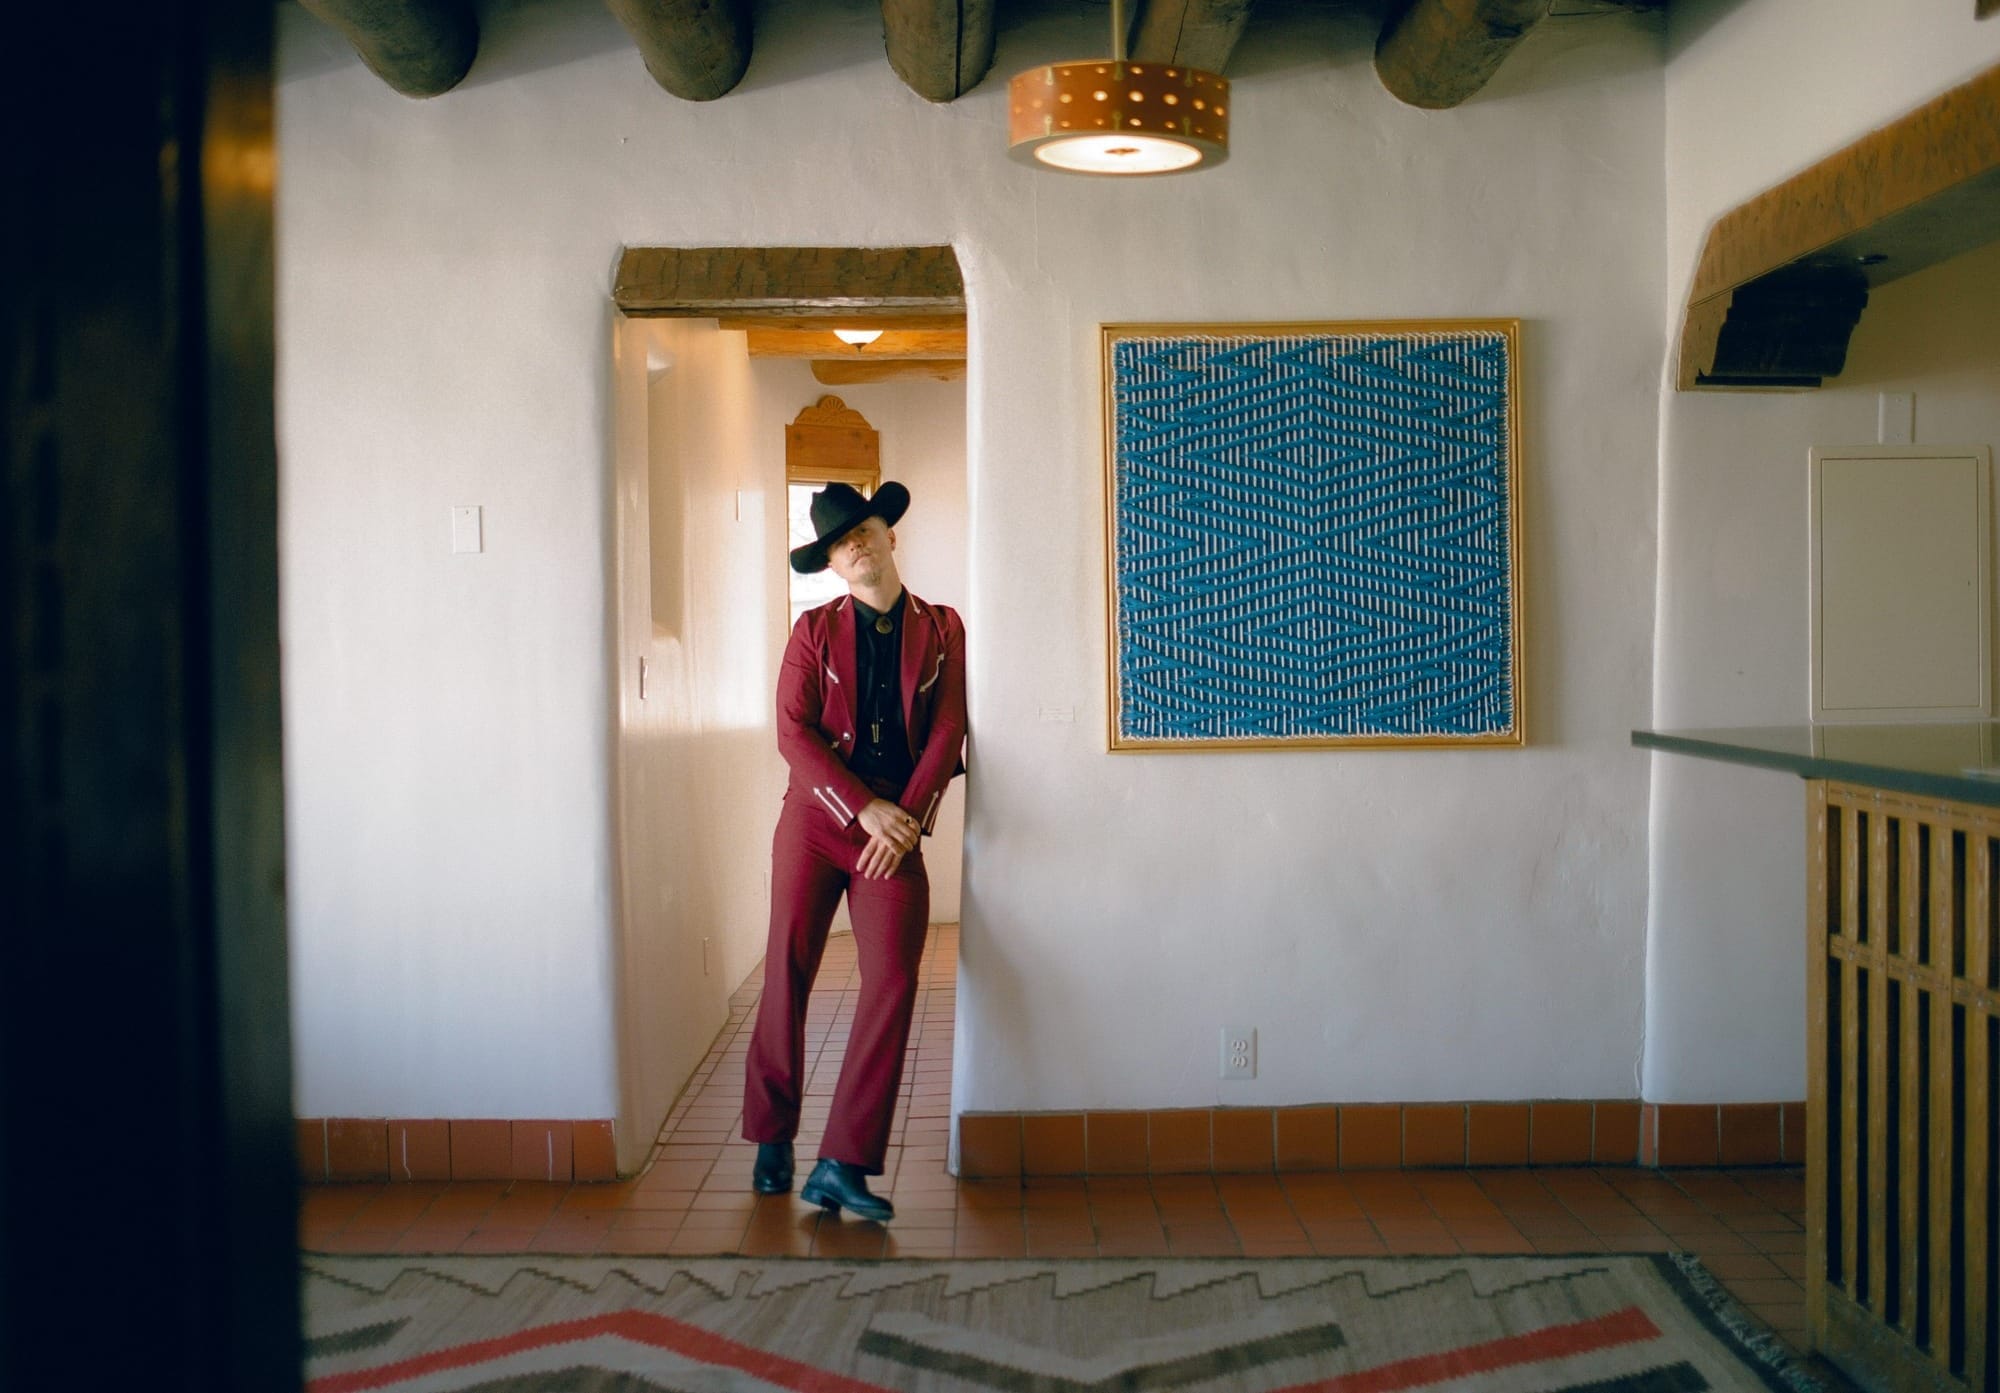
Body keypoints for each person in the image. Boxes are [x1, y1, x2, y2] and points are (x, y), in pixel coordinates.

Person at [742, 480, 967, 1222]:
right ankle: (772, 1136)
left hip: (894, 823)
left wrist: (902, 820)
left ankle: (841, 1162)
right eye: (841, 543)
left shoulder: (943, 628)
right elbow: (792, 733)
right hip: (817, 819)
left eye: (864, 531)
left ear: (888, 537)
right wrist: (860, 808)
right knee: (788, 965)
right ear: (833, 564)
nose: (856, 546)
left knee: (894, 976)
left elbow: (948, 730)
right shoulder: (812, 631)